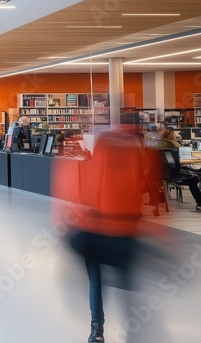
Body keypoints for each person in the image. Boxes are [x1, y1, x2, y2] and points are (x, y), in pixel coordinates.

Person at [56, 114, 164, 343]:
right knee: (125, 281)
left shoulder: (101, 148)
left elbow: (83, 189)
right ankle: (132, 331)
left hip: (94, 225)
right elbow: (146, 188)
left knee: (96, 280)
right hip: (123, 228)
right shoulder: (139, 151)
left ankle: (97, 330)